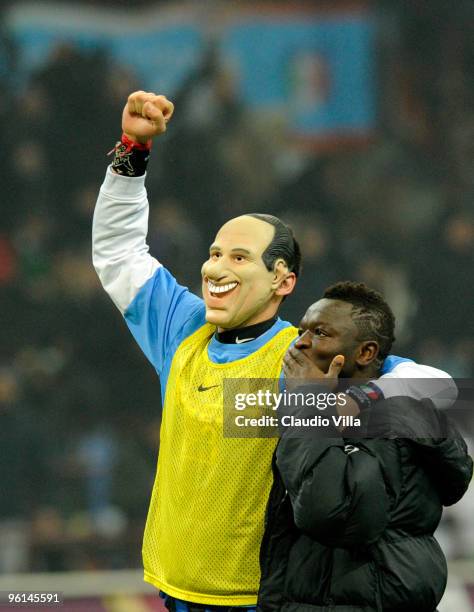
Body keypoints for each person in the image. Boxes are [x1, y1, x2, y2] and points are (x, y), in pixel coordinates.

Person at [92, 91, 457, 610]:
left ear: (282, 280)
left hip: (260, 598)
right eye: (215, 253)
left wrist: (338, 404)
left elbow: (437, 393)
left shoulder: (307, 355)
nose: (215, 269)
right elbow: (119, 253)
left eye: (239, 257)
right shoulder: (181, 328)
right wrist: (133, 151)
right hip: (172, 589)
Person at [257, 281, 473, 612]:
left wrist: (307, 401)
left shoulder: (386, 425)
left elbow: (326, 511)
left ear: (366, 353)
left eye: (321, 333)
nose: (301, 343)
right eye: (302, 331)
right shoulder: (332, 409)